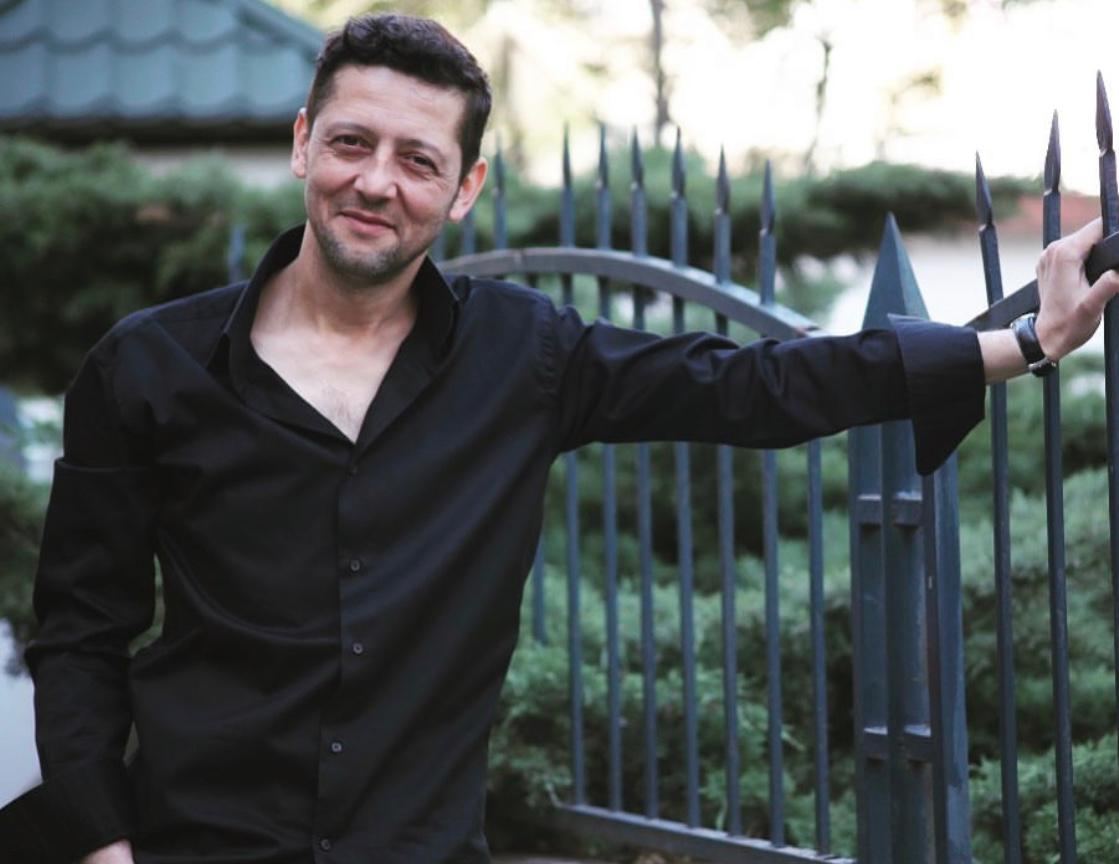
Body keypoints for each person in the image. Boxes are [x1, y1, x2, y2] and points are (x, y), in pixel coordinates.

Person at [1, 12, 1116, 864]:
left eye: (418, 159)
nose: (375, 182)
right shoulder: (145, 368)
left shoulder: (526, 356)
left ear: (466, 187)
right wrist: (102, 842)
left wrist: (1022, 342)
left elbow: (754, 385)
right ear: (303, 143)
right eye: (349, 142)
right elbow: (80, 633)